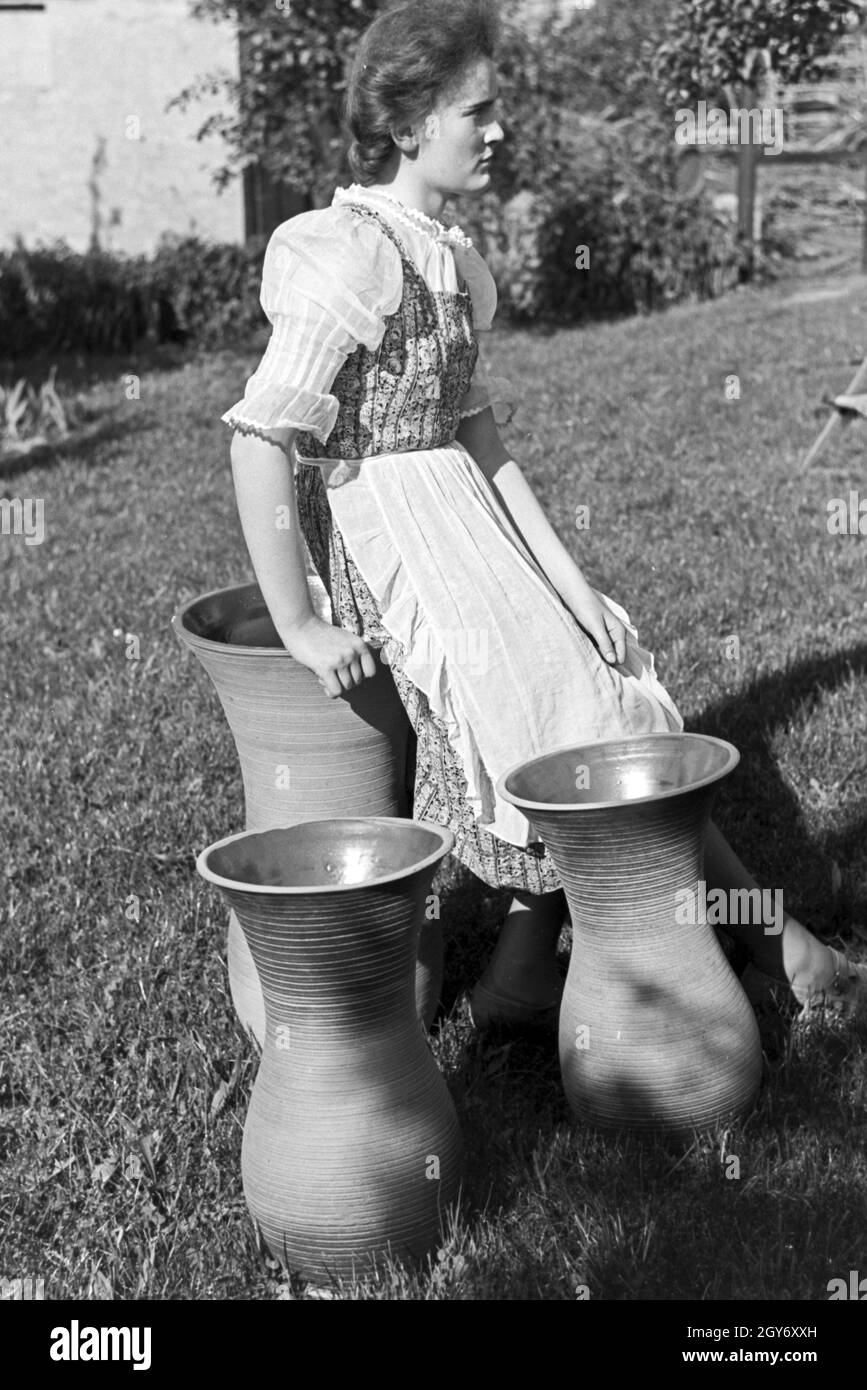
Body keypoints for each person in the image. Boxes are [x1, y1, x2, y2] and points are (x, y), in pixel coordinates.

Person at [222, 0, 865, 1027]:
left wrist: (574, 589)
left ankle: (537, 971)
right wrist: (299, 619)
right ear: (406, 125)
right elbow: (264, 434)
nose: (497, 129)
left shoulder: (451, 260)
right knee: (561, 718)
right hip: (394, 541)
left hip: (466, 521)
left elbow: (483, 440)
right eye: (476, 111)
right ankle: (763, 941)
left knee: (603, 670)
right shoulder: (345, 251)